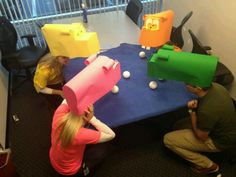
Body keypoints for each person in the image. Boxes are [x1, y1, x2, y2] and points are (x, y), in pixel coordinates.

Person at [163, 82, 236, 174]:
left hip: (219, 141)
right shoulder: (218, 87)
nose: (185, 85)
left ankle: (208, 166)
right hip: (226, 127)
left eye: (187, 84)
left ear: (198, 88)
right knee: (178, 126)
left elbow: (201, 137)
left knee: (168, 139)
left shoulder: (206, 111)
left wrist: (192, 111)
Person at [50, 99, 116, 176]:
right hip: (70, 171)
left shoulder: (58, 114)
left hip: (53, 160)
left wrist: (79, 100)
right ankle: (84, 170)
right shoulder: (81, 134)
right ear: (86, 117)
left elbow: (67, 99)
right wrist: (92, 119)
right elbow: (111, 135)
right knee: (103, 149)